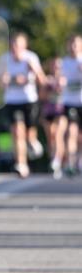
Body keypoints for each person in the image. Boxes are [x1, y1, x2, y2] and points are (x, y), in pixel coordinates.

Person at [0, 32, 46, 178]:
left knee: (28, 134)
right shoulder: (4, 59)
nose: (14, 48)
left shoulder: (31, 58)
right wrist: (4, 80)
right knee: (17, 132)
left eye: (17, 45)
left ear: (24, 46)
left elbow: (42, 81)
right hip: (12, 101)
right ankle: (21, 164)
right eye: (12, 45)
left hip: (29, 100)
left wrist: (34, 71)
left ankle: (32, 141)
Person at [39, 57, 66, 179]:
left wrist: (62, 87)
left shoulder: (66, 79)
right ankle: (53, 160)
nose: (56, 68)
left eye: (58, 66)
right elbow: (41, 96)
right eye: (54, 65)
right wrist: (47, 88)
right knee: (50, 137)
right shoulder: (47, 80)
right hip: (48, 111)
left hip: (61, 111)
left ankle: (57, 161)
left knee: (58, 135)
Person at [61, 33, 82, 176]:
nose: (74, 47)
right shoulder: (65, 62)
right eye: (72, 44)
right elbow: (60, 79)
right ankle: (71, 162)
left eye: (77, 44)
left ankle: (79, 161)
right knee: (71, 132)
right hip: (70, 102)